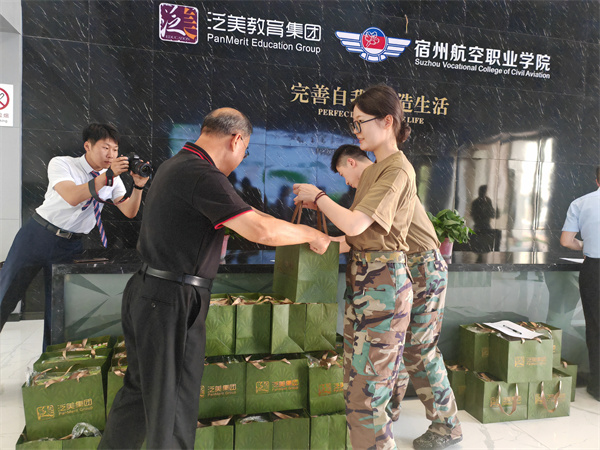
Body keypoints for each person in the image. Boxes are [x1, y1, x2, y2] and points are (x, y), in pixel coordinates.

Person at [99, 108, 331, 449]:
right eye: (245, 151)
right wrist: (312, 234)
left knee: (139, 394)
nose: (241, 160)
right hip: (171, 300)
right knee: (173, 407)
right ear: (236, 140)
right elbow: (260, 230)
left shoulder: (177, 165)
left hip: (148, 292)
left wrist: (293, 227)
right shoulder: (202, 174)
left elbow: (249, 214)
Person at [294, 84, 421, 450]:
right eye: (354, 123)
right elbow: (357, 234)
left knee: (367, 398)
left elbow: (354, 224)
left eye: (360, 122)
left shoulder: (396, 171)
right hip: (367, 285)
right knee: (357, 389)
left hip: (383, 288)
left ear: (387, 121)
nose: (356, 131)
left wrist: (319, 196)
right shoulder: (377, 170)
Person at [329, 143, 463, 448]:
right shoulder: (375, 184)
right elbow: (362, 237)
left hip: (422, 268)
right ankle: (389, 410)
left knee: (420, 349)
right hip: (407, 269)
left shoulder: (386, 180)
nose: (347, 182)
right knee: (395, 346)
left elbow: (358, 233)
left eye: (343, 174)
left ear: (351, 163)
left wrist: (323, 231)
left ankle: (448, 425)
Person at [0, 123, 148, 346]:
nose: (111, 154)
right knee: (5, 295)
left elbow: (129, 211)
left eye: (115, 149)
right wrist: (107, 175)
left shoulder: (113, 178)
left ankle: (52, 362)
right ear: (88, 146)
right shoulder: (62, 164)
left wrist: (138, 186)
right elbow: (71, 196)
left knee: (60, 310)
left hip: (70, 245)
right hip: (38, 235)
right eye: (105, 148)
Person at [560, 166, 600, 401]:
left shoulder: (581, 203)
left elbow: (567, 241)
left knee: (596, 328)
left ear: (597, 180)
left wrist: (585, 245)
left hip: (595, 271)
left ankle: (598, 387)